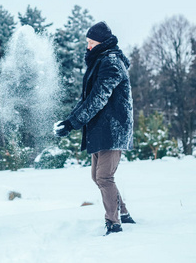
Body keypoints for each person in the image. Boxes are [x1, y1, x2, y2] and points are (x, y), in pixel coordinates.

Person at [54, 21, 136, 235]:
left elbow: (98, 98)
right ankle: (124, 213)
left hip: (112, 128)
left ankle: (114, 223)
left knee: (104, 178)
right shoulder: (101, 61)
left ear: (101, 42)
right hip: (101, 128)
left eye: (91, 43)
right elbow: (88, 98)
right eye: (87, 43)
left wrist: (73, 123)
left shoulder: (111, 62)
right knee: (97, 176)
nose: (88, 47)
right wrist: (69, 121)